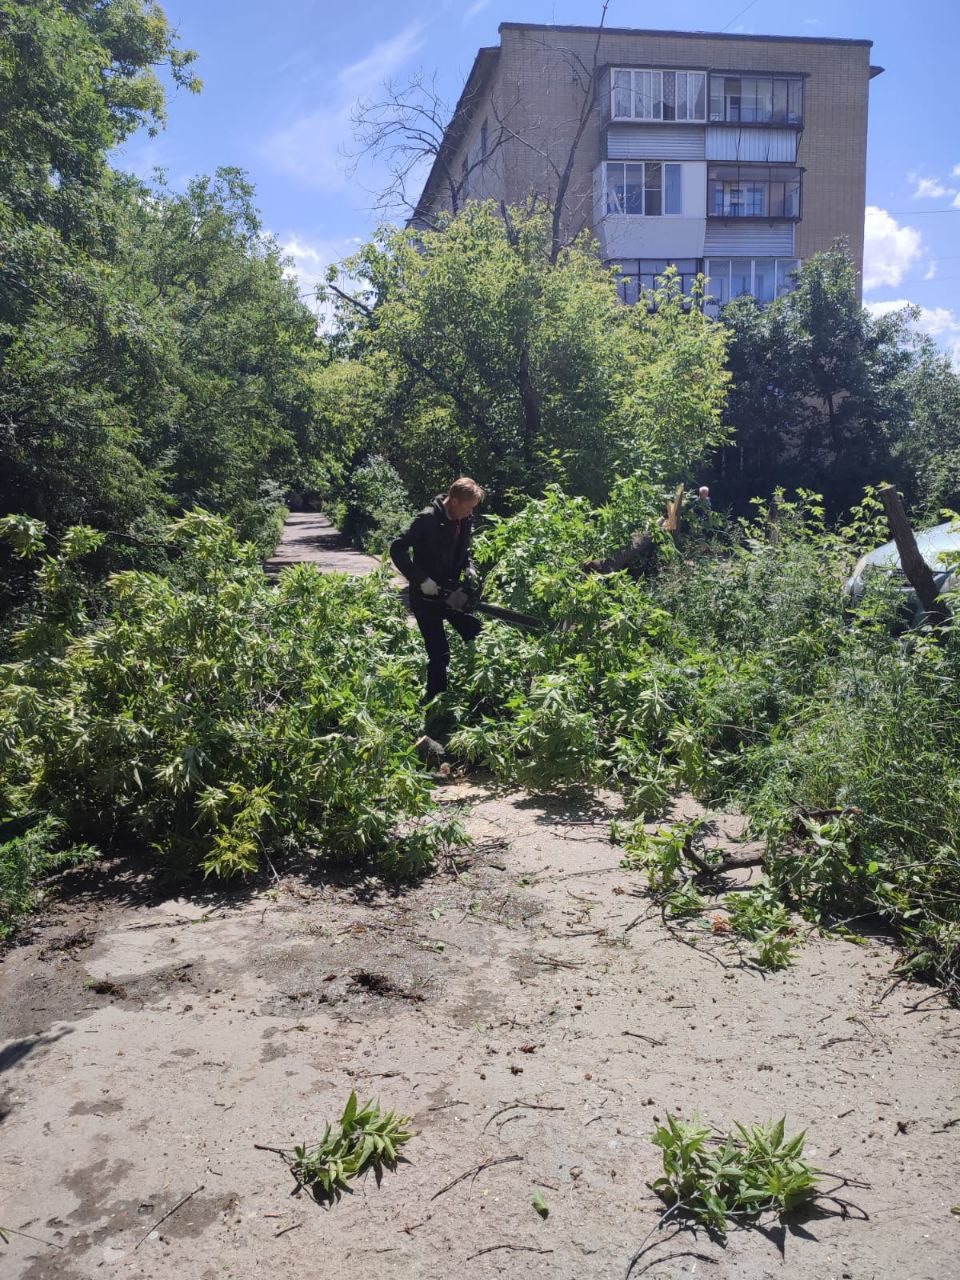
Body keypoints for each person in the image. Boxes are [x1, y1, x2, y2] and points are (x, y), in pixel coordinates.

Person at [390, 477, 485, 708]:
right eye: (469, 507)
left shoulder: (464, 518)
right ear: (454, 501)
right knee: (439, 654)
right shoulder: (426, 519)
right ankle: (434, 702)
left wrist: (469, 566)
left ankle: (481, 691)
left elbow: (464, 549)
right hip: (426, 598)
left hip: (452, 593)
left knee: (478, 633)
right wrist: (420, 578)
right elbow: (397, 548)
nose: (471, 512)